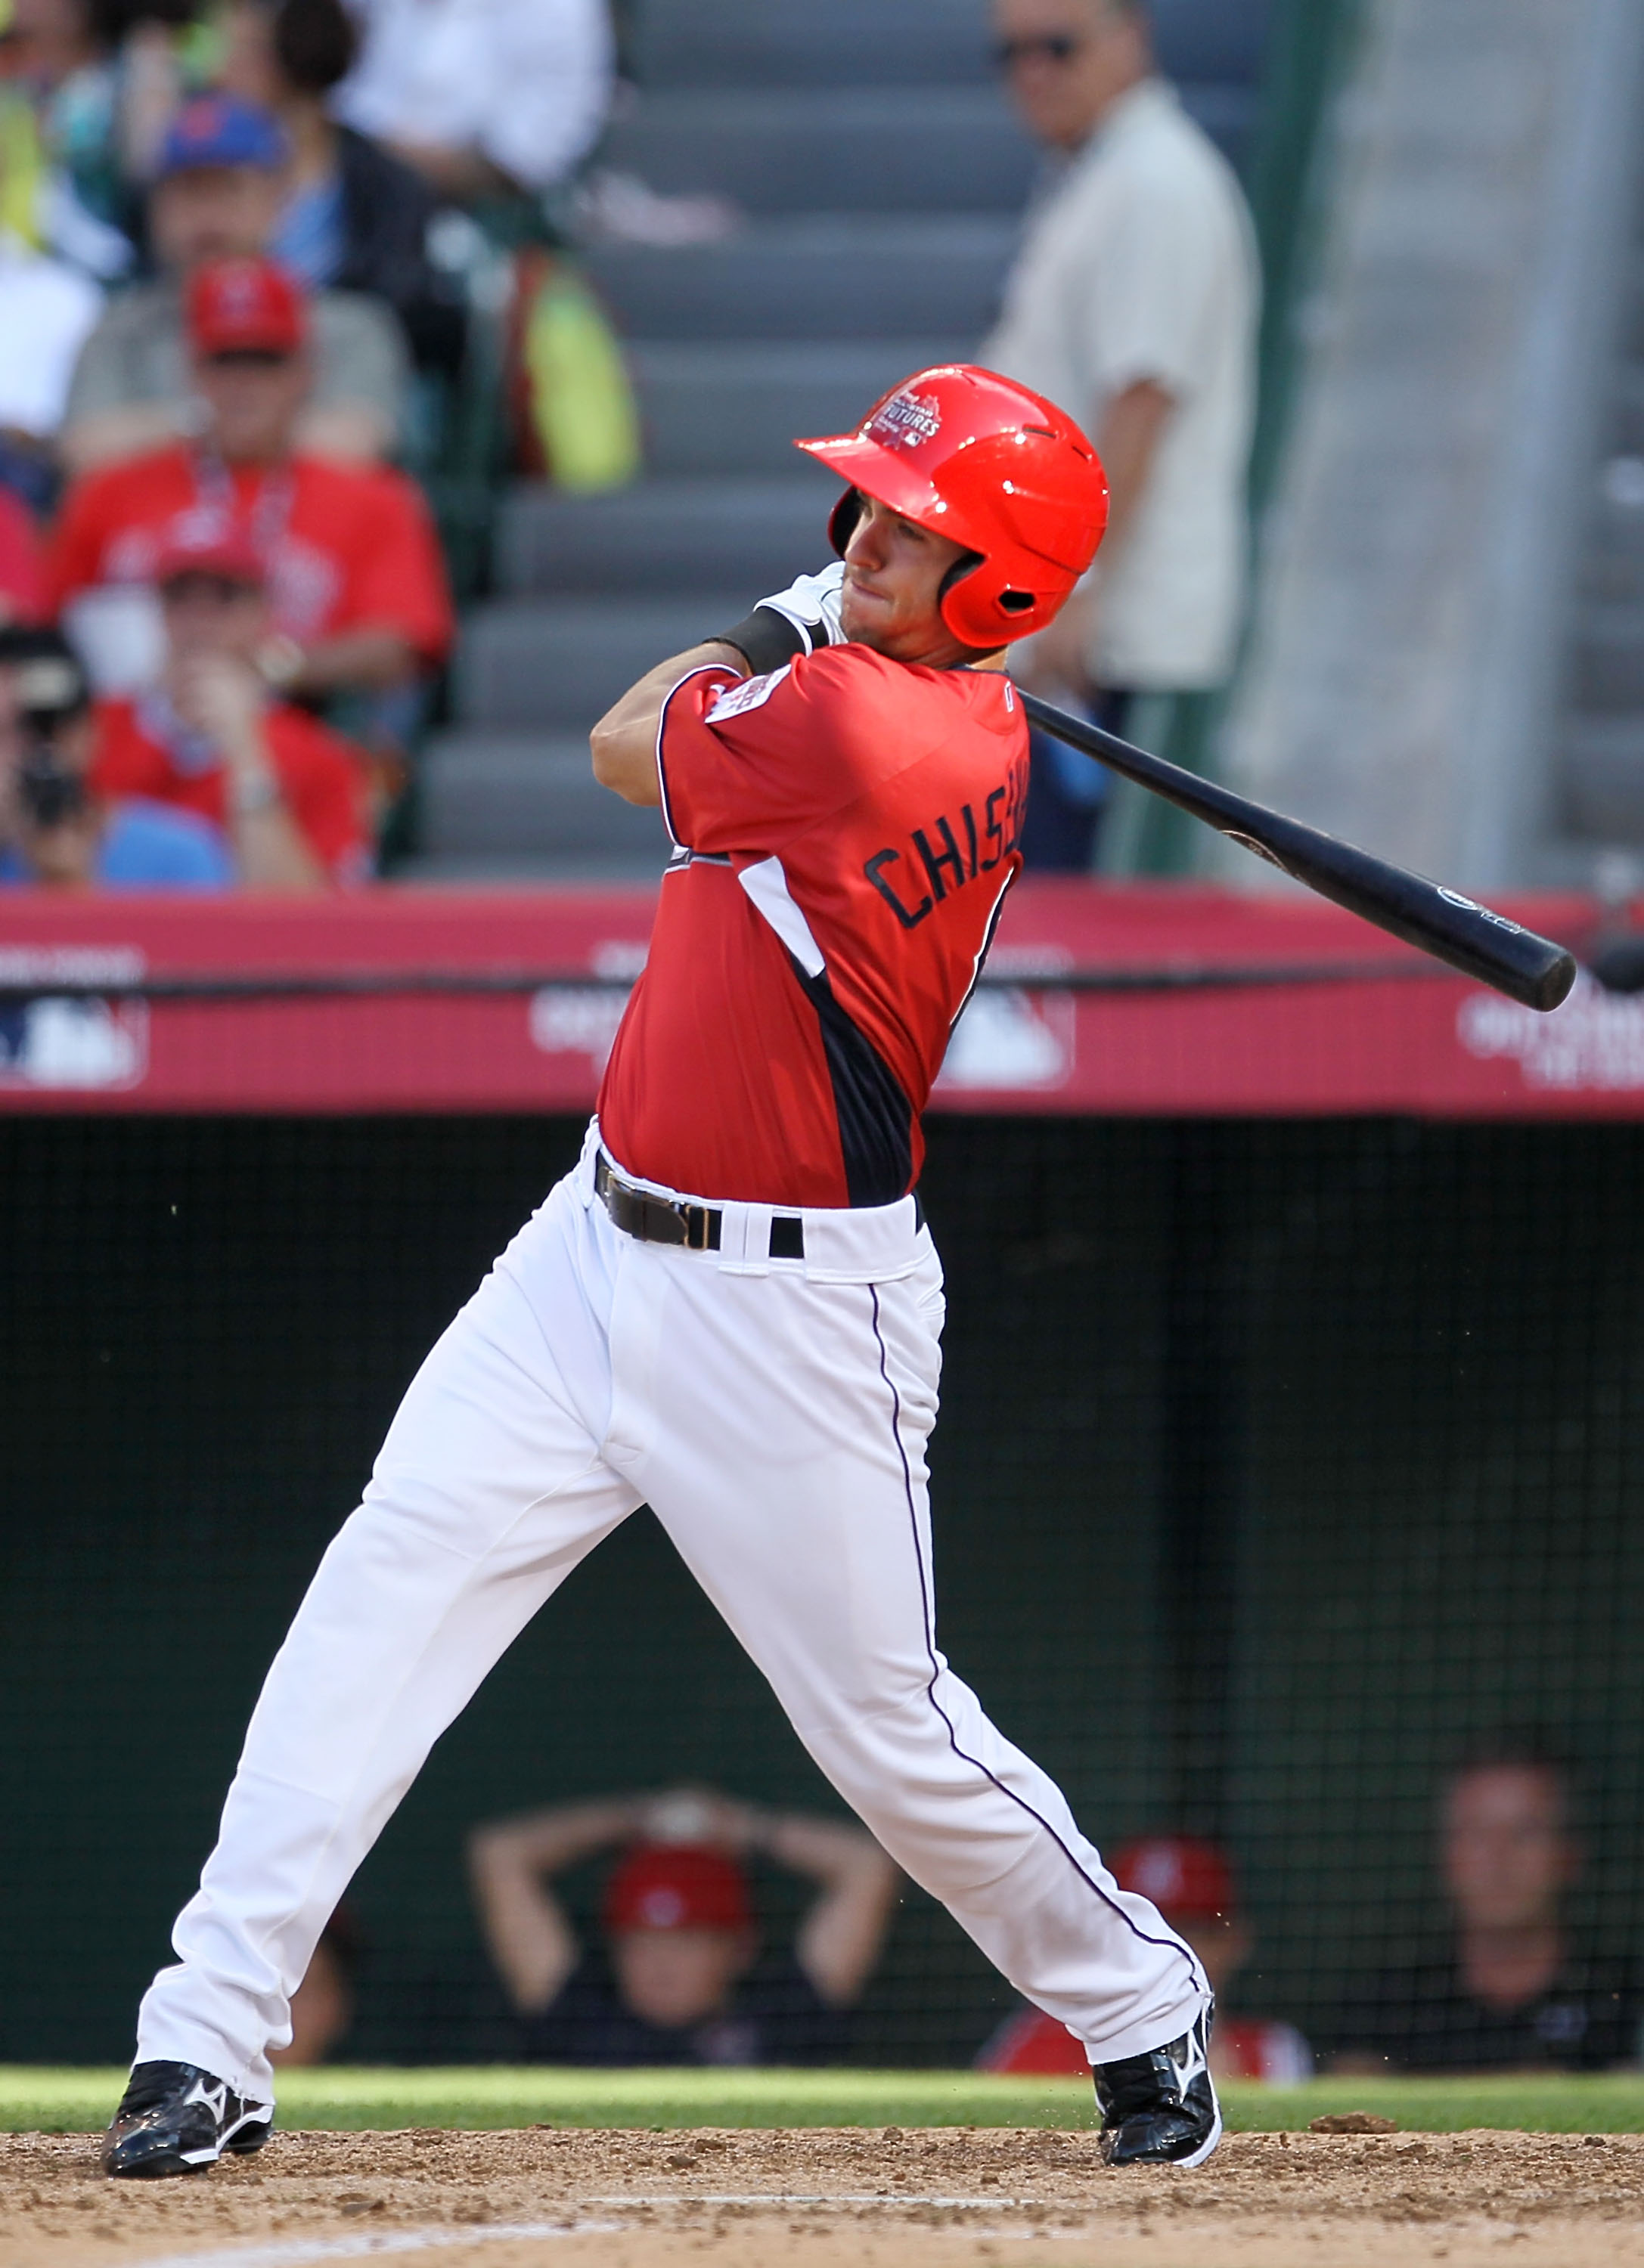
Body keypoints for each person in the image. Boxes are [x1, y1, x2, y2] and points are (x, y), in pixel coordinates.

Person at [100, 363, 1221, 2183]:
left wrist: (767, 622)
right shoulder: (903, 702)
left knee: (886, 1725)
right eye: (857, 506)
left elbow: (625, 739)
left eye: (906, 526)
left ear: (998, 591)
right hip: (591, 1239)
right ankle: (207, 2033)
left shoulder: (874, 730)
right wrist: (820, 621)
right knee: (380, 1595)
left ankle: (1131, 1994)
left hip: (789, 1313)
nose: (857, 535)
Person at [984, 0, 1258, 869]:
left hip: (1112, 639)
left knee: (1080, 916)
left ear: (1129, 37)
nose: (1035, 71)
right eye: (1012, 53)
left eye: (1058, 46)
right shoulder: (1102, 174)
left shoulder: (1154, 183)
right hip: (1083, 624)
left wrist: (1073, 584)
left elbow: (1140, 397)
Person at [49, 253, 452, 707]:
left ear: (305, 373)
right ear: (192, 372)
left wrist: (270, 666)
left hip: (299, 742)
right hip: (127, 749)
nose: (244, 383)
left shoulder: (376, 497)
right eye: (225, 360)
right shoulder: (109, 492)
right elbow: (52, 623)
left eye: (265, 360)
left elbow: (400, 645)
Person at [59, 91, 408, 471]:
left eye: (229, 190)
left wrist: (181, 431)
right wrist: (239, 425)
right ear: (155, 208)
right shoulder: (121, 328)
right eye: (188, 193)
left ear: (280, 198)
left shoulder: (348, 325)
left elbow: (355, 446)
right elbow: (87, 452)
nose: (208, 216)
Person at [469, 1785, 898, 2065]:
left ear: (739, 1948)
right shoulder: (580, 2018)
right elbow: (500, 1853)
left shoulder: (783, 2018)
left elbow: (868, 1865)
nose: (661, 1960)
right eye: (641, 1939)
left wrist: (744, 1827)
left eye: (688, 1938)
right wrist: (635, 1817)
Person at [89, 519, 372, 885]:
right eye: (180, 598)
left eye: (224, 598)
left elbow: (307, 924)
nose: (199, 621)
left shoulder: (318, 756)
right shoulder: (97, 728)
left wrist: (245, 751)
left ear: (264, 612)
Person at [1335, 1740, 1644, 2073]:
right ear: (1447, 1854)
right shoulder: (1387, 2010)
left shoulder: (1624, 2004)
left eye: (1526, 1833)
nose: (1498, 1861)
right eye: (1477, 1835)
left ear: (1569, 1854)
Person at [216, 0, 464, 376]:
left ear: (293, 54)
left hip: (345, 369)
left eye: (245, 52)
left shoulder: (387, 186)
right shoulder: (206, 171)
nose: (221, 73)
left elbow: (394, 302)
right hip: (229, 358)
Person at [979, 1834, 1312, 2083]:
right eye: (1138, 1929)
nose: (1163, 1947)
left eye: (1188, 1929)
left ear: (1233, 1941)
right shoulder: (1046, 2033)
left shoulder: (1273, 2049)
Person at [0, 619, 233, 885]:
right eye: (3, 732)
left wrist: (69, 879)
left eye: (45, 727)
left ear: (89, 732)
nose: (31, 752)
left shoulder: (179, 855)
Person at [332, 0, 613, 206]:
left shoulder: (561, 10)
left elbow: (521, 163)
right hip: (337, 190)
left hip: (486, 219)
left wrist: (360, 155)